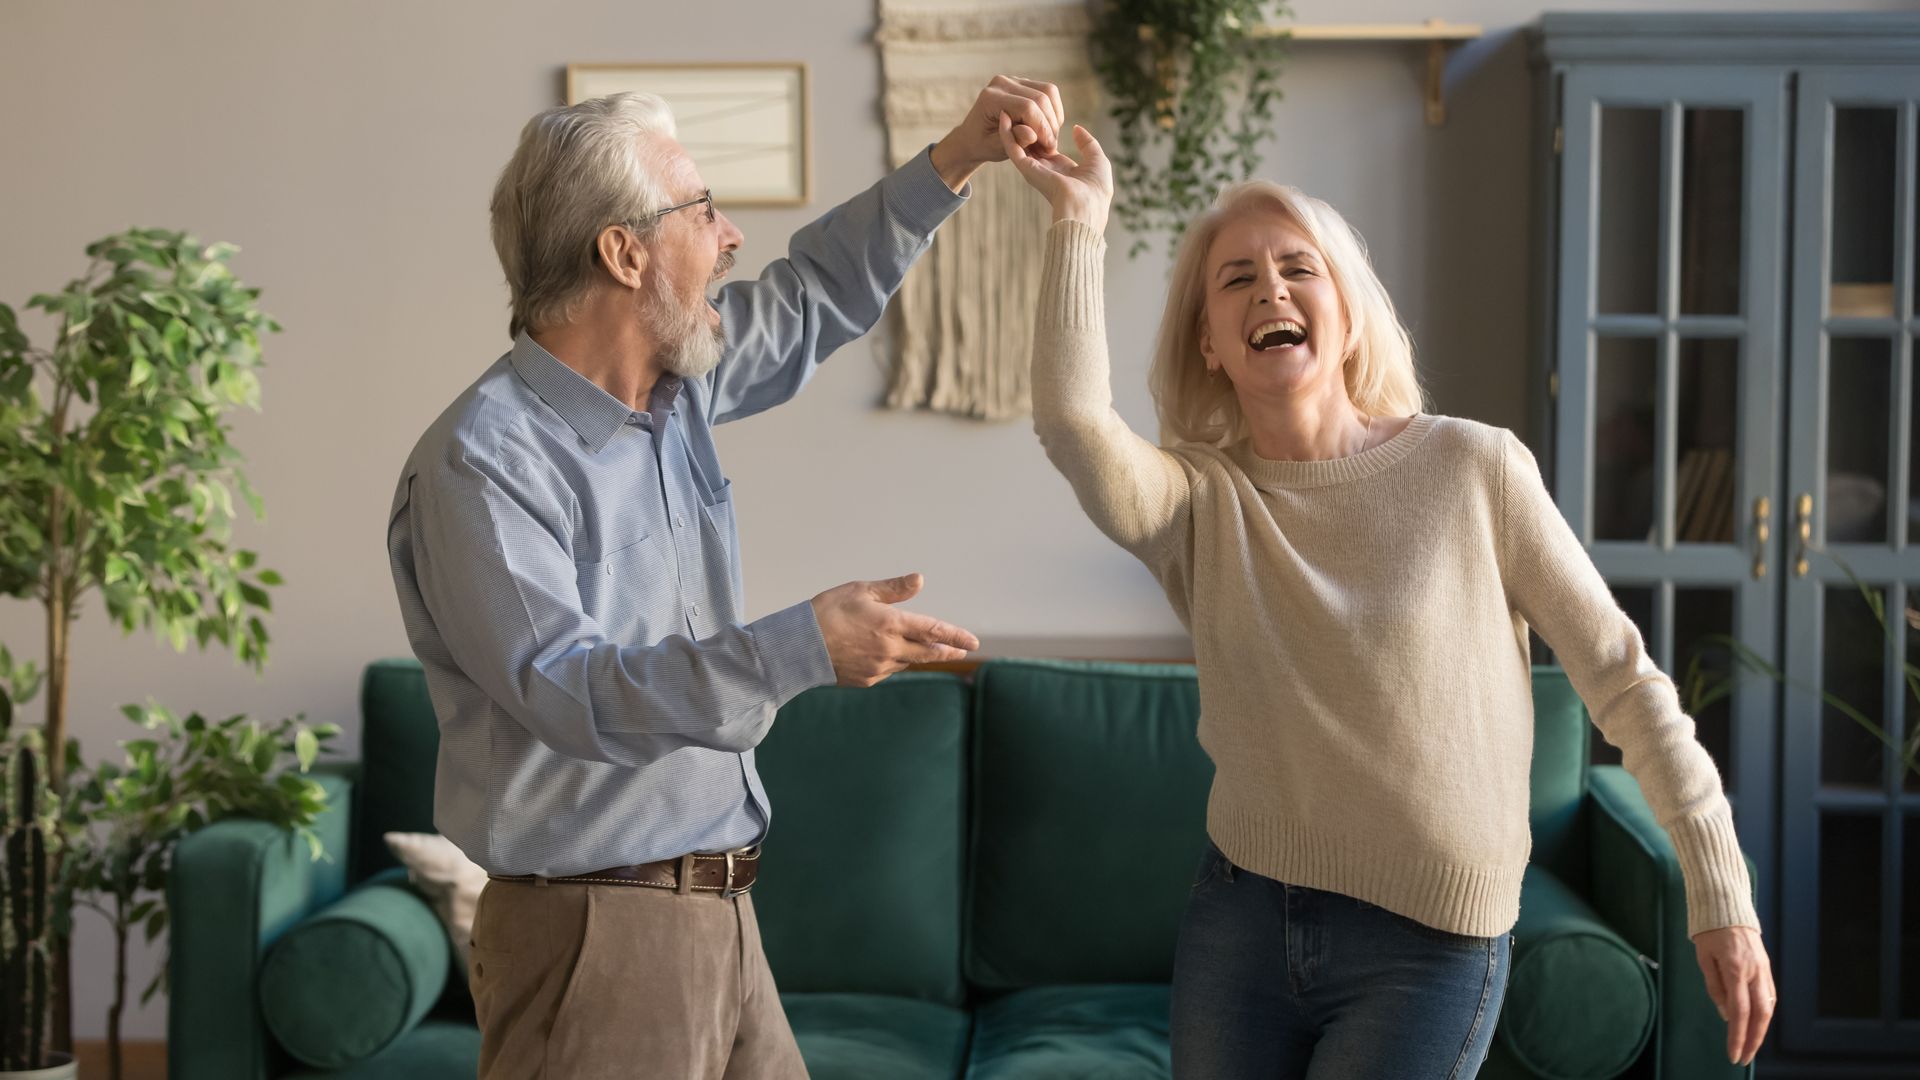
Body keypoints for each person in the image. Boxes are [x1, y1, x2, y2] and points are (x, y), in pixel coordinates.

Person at [1002, 116, 1776, 1077]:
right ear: (1210, 344)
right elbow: (1074, 422)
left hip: (1431, 943)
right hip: (1241, 920)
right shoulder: (1197, 501)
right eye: (1237, 278)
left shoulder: (1472, 469)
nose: (1270, 289)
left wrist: (1721, 889)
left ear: (1349, 313)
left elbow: (1622, 678)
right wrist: (1079, 222)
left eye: (1297, 267)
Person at [385, 78, 1068, 1079]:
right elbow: (570, 692)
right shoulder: (483, 464)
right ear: (624, 253)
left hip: (718, 913)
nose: (731, 236)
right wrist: (801, 648)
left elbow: (814, 296)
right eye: (702, 211)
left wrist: (956, 158)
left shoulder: (676, 396)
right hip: (596, 935)